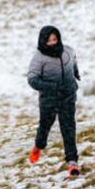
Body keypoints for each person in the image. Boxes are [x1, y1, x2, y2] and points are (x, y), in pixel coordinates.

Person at [27, 25, 80, 177]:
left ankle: (72, 162)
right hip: (49, 99)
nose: (52, 43)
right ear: (43, 41)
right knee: (45, 126)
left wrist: (76, 74)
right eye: (49, 40)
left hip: (68, 96)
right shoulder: (39, 58)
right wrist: (51, 87)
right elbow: (32, 80)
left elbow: (73, 62)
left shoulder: (68, 50)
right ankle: (38, 146)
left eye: (55, 39)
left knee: (68, 128)